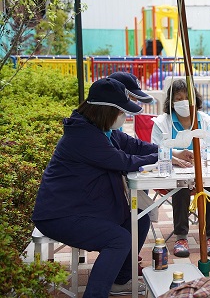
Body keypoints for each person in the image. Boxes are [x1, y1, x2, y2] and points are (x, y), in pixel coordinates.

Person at [32, 77, 158, 297]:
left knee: (140, 216)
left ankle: (119, 281)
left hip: (84, 206)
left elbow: (135, 146)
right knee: (118, 239)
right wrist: (162, 158)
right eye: (121, 112)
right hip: (60, 215)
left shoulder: (102, 131)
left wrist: (169, 153)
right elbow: (124, 161)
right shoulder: (83, 136)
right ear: (106, 111)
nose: (124, 117)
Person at [151, 79, 210, 258]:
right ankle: (181, 237)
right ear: (171, 102)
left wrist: (195, 157)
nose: (183, 101)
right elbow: (154, 148)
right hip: (172, 172)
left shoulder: (206, 121)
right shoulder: (162, 122)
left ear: (195, 99)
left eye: (187, 97)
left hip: (199, 169)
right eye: (178, 98)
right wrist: (174, 156)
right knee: (181, 184)